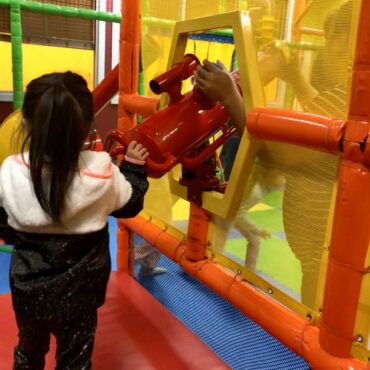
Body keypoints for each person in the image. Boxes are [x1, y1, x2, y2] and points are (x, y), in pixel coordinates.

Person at [194, 0, 353, 308]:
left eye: (336, 35)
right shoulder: (343, 96)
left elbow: (274, 154)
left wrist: (230, 95)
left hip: (328, 257)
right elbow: (321, 114)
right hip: (321, 254)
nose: (328, 45)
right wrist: (295, 78)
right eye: (328, 34)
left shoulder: (350, 101)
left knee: (323, 327)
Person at [0, 71, 149, 369]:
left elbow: (5, 225)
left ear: (26, 123)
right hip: (79, 299)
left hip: (28, 293)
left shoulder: (12, 171)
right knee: (75, 362)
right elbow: (130, 204)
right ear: (88, 128)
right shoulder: (101, 172)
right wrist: (134, 167)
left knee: (29, 351)